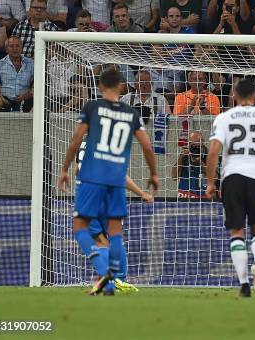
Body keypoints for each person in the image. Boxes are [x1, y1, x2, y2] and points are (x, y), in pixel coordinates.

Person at [57, 68, 159, 296]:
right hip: (116, 180)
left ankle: (108, 278)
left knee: (80, 227)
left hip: (92, 177)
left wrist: (64, 169)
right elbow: (147, 146)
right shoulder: (131, 114)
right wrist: (154, 174)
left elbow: (75, 141)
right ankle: (116, 279)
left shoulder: (92, 108)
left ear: (100, 87)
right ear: (122, 87)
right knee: (115, 233)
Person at [205, 78, 255, 297]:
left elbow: (213, 151)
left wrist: (211, 182)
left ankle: (243, 284)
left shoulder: (224, 117)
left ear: (234, 95)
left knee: (237, 231)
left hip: (232, 177)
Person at [74, 139, 154, 293]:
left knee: (101, 243)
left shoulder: (84, 143)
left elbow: (77, 169)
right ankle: (119, 280)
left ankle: (114, 280)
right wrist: (142, 193)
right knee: (112, 239)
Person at [0, 36, 34, 111]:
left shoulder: (31, 63)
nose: (15, 48)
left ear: (22, 48)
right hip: (4, 102)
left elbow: (36, 83)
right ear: (6, 49)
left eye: (17, 46)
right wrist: (2, 101)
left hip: (26, 101)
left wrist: (28, 94)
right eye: (11, 46)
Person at [172, 131, 209, 199]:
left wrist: (200, 162)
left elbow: (214, 176)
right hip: (184, 196)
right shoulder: (185, 155)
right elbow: (174, 176)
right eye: (193, 145)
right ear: (188, 144)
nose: (195, 148)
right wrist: (181, 156)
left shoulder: (207, 154)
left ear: (202, 144)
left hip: (202, 198)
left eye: (198, 145)